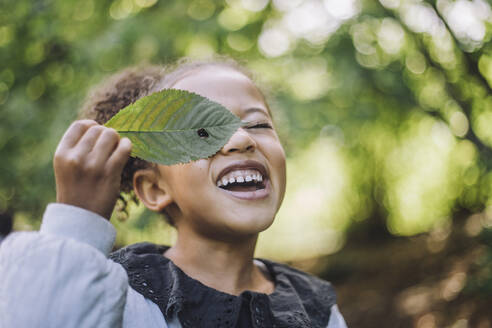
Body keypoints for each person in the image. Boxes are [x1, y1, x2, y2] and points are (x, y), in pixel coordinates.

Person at [0, 59, 347, 328]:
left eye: (257, 124)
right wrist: (76, 224)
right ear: (154, 188)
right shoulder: (120, 297)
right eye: (202, 132)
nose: (242, 139)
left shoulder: (315, 308)